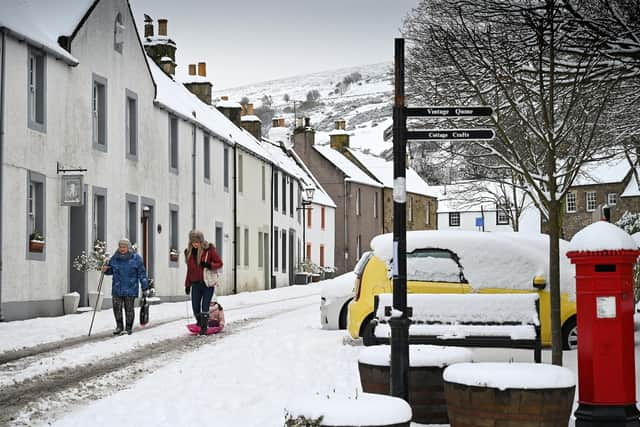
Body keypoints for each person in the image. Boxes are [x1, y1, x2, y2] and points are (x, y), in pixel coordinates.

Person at [102, 238, 149, 335]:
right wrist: (105, 270)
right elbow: (111, 271)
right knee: (117, 308)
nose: (122, 248)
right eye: (120, 246)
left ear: (128, 247)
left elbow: (142, 274)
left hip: (130, 288)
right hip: (117, 288)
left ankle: (128, 328)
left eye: (124, 247)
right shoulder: (115, 258)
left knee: (129, 309)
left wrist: (145, 287)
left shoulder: (136, 258)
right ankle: (119, 326)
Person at [184, 229, 222, 335]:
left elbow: (219, 263)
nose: (195, 244)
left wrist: (209, 265)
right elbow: (189, 271)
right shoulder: (189, 253)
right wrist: (187, 285)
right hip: (195, 284)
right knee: (195, 306)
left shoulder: (209, 251)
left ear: (201, 242)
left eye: (197, 242)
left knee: (205, 305)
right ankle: (200, 323)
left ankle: (204, 328)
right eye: (193, 242)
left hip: (207, 283)